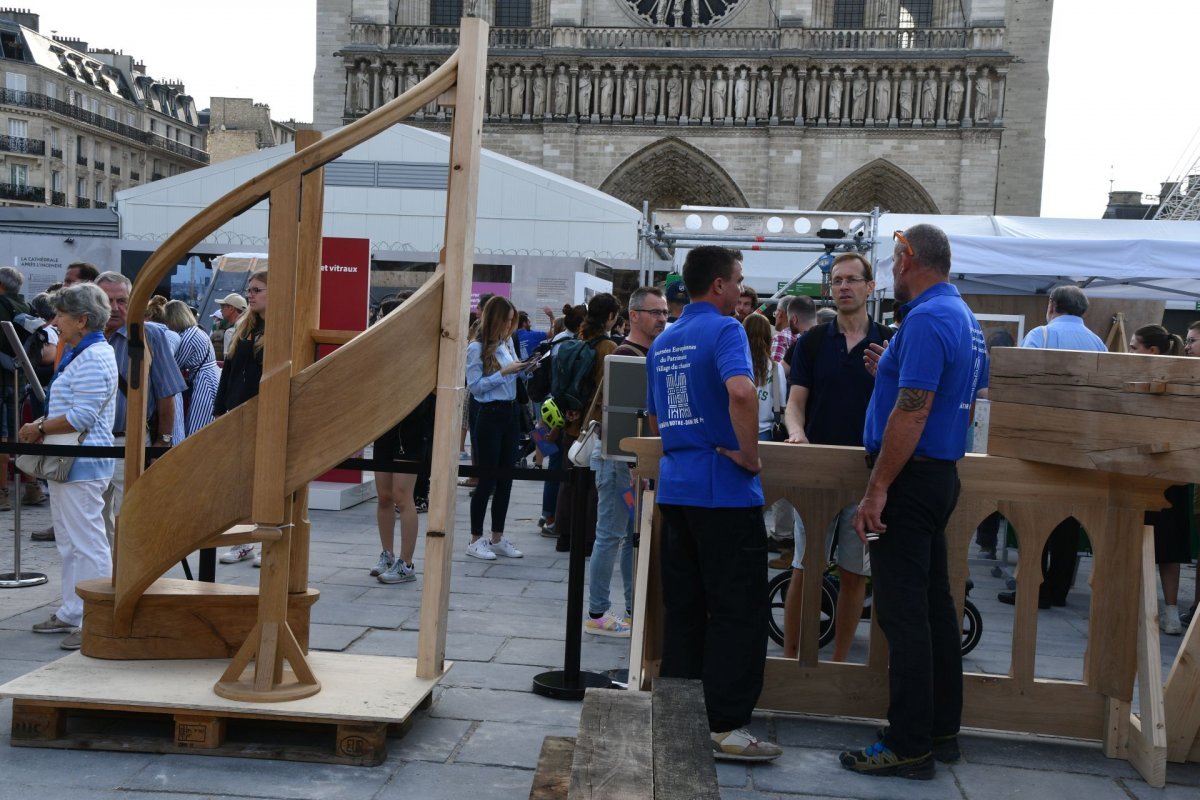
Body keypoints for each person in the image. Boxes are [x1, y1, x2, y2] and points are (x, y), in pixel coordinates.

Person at [841, 224, 985, 778]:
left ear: (906, 258)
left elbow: (915, 410)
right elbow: (947, 392)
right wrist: (893, 374)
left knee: (903, 616)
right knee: (931, 608)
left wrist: (876, 489)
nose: (890, 270)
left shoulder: (925, 318)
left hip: (906, 482)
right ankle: (940, 730)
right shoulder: (962, 318)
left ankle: (909, 744)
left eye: (892, 258)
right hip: (937, 477)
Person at [646, 245, 781, 762]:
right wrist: (749, 455)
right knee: (738, 612)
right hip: (723, 490)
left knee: (684, 609)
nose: (743, 290)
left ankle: (681, 718)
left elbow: (657, 419)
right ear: (720, 285)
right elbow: (743, 394)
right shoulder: (727, 330)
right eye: (740, 280)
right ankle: (725, 725)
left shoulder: (665, 338)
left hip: (678, 487)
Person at [782, 253, 890, 663]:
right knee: (804, 567)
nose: (843, 286)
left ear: (869, 287)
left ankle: (841, 664)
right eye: (837, 280)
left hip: (869, 477)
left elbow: (905, 407)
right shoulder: (811, 342)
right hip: (817, 473)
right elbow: (795, 404)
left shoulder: (890, 341)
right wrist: (797, 432)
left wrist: (890, 377)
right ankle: (792, 658)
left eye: (852, 280)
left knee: (856, 571)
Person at [20, 283, 118, 651]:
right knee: (72, 543)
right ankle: (74, 611)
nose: (56, 320)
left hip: (83, 462)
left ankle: (95, 617)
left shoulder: (93, 356)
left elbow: (82, 415)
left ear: (82, 319)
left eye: (61, 314)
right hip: (74, 462)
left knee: (87, 544)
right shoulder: (85, 352)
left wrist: (39, 426)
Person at [997, 285, 1107, 610]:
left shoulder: (1041, 335)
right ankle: (1059, 588)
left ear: (1052, 305)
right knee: (1070, 519)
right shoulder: (1098, 343)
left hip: (1043, 440)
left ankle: (1032, 585)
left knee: (1035, 514)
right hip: (1083, 442)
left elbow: (1021, 383)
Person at [585, 287, 666, 637]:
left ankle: (634, 608)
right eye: (655, 312)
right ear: (634, 315)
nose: (662, 318)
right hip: (620, 462)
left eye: (664, 312)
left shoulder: (651, 352)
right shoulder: (625, 354)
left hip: (634, 462)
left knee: (633, 536)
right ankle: (598, 612)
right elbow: (615, 416)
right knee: (611, 535)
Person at [97, 271, 187, 550]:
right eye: (106, 300)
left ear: (134, 301)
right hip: (90, 442)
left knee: (132, 516)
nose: (114, 307)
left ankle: (129, 580)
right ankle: (104, 579)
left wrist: (163, 441)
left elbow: (166, 392)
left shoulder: (151, 335)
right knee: (94, 523)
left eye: (121, 300)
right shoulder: (84, 335)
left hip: (131, 441)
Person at [1129, 324, 1191, 634]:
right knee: (1166, 547)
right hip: (1167, 473)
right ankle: (1163, 612)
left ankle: (1164, 612)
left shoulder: (1175, 380)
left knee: (1163, 545)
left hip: (1161, 472)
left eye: (1133, 346)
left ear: (1151, 351)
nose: (1129, 352)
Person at [370, 293, 434, 585]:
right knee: (383, 495)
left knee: (402, 496)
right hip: (385, 426)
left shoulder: (418, 351)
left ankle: (406, 563)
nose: (378, 321)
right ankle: (387, 553)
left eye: (383, 316)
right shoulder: (381, 351)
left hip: (410, 429)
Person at [552, 294, 620, 554]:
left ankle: (564, 535)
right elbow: (606, 389)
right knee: (594, 485)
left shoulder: (579, 340)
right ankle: (588, 539)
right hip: (595, 425)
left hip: (572, 422)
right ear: (611, 317)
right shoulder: (608, 347)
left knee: (569, 481)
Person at [464, 296, 525, 561]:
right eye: (507, 320)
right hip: (489, 414)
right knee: (487, 479)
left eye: (513, 321)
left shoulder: (507, 342)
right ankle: (476, 538)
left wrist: (524, 367)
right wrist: (505, 372)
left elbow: (512, 377)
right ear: (496, 319)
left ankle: (497, 536)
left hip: (510, 412)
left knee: (506, 479)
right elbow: (475, 387)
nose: (510, 325)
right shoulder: (475, 348)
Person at [216, 270, 268, 567]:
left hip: (264, 414)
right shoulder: (242, 326)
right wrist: (220, 409)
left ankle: (262, 541)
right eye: (250, 290)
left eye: (257, 290)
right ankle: (243, 542)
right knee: (241, 483)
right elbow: (229, 373)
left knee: (264, 482)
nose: (251, 294)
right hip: (237, 412)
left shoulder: (282, 330)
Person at [162, 300, 218, 439]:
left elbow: (174, 364)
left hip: (204, 381)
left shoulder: (188, 336)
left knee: (199, 427)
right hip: (208, 377)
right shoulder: (195, 331)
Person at [211, 292, 247, 361]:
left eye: (223, 307)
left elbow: (228, 362)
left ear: (231, 309)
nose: (221, 310)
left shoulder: (230, 332)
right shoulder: (248, 327)